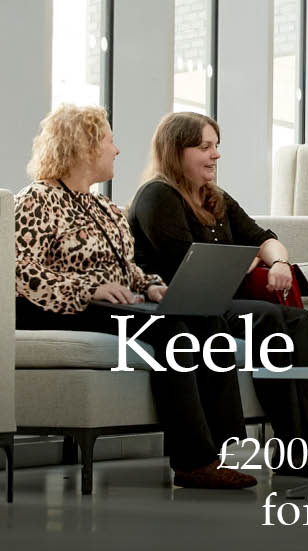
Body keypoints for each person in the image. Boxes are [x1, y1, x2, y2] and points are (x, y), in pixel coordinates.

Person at [15, 104, 257, 489]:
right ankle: (194, 462)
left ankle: (223, 447)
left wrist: (149, 285)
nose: (117, 150)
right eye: (110, 140)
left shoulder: (104, 207)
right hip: (55, 308)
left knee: (204, 316)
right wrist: (88, 288)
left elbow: (124, 268)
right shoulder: (36, 200)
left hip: (107, 305)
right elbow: (19, 270)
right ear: (84, 146)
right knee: (171, 330)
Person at [127, 112, 308, 475]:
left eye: (216, 146)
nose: (216, 155)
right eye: (205, 147)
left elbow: (263, 237)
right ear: (176, 151)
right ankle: (295, 446)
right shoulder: (158, 196)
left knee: (300, 320)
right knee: (272, 319)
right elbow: (191, 263)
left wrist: (278, 264)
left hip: (221, 301)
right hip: (190, 304)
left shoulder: (215, 198)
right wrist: (247, 261)